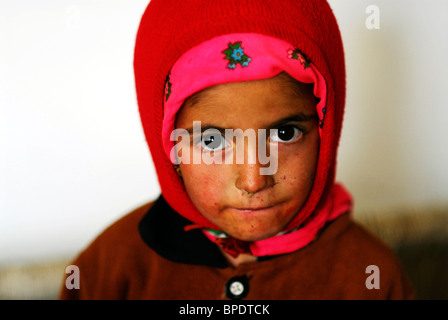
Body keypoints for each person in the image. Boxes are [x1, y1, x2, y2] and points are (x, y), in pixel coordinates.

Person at [59, 0, 416, 300]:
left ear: (326, 128)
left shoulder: (371, 277)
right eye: (211, 140)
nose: (253, 179)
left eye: (285, 132)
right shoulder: (110, 267)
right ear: (168, 145)